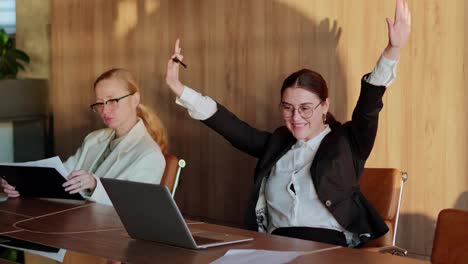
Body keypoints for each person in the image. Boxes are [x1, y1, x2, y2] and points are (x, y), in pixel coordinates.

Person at [165, 0, 411, 247]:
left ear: (325, 105)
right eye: (287, 107)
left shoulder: (348, 141)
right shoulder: (277, 143)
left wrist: (393, 49)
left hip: (328, 249)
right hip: (273, 247)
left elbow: (369, 104)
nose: (296, 117)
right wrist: (179, 88)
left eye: (305, 108)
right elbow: (231, 127)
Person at [1, 68, 167, 205]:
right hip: (74, 220)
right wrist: (22, 185)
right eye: (99, 103)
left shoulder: (150, 156)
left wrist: (94, 185)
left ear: (135, 99)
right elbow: (62, 175)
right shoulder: (94, 139)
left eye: (112, 100)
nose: (105, 110)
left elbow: (132, 205)